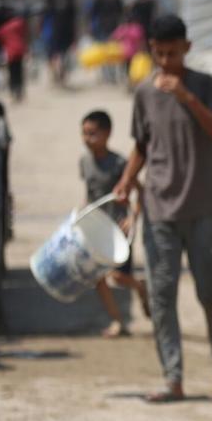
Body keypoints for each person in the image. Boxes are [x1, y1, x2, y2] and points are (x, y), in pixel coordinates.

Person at [112, 14, 212, 402]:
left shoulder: (206, 86)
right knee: (162, 295)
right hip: (159, 210)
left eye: (173, 53)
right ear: (151, 50)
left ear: (187, 48)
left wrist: (187, 98)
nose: (166, 62)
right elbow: (143, 146)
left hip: (205, 209)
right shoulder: (145, 93)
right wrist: (127, 179)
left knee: (210, 293)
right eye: (160, 54)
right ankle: (173, 378)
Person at [80, 109, 150, 337]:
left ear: (107, 133)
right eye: (84, 134)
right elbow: (89, 194)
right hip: (95, 228)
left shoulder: (120, 163)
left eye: (93, 134)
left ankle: (140, 286)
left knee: (118, 277)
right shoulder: (85, 162)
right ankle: (118, 322)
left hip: (119, 229)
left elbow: (141, 193)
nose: (87, 139)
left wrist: (133, 218)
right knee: (98, 278)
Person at [0, 9, 29, 102]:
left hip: (11, 53)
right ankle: (19, 90)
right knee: (19, 71)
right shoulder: (18, 23)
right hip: (20, 51)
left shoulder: (3, 29)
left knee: (13, 72)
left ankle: (14, 90)